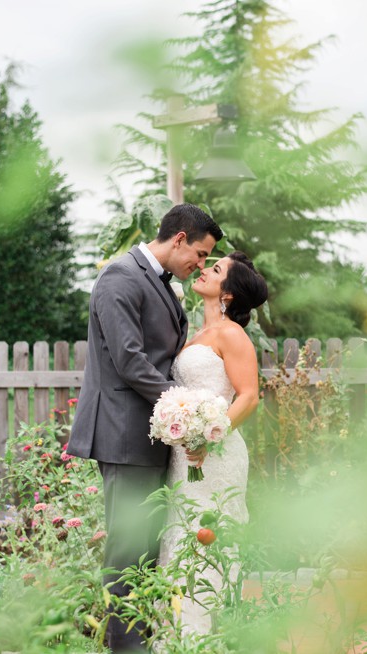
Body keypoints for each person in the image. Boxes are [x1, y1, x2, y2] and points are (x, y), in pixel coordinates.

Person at [66, 203, 222, 653]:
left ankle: (145, 643)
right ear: (178, 239)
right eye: (199, 252)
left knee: (147, 553)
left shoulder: (162, 286)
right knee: (127, 555)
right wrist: (186, 406)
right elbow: (130, 360)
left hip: (150, 436)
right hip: (123, 434)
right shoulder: (119, 278)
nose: (200, 264)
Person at [157, 251, 268, 636]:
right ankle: (178, 636)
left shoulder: (231, 334)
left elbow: (249, 396)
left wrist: (209, 437)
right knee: (179, 541)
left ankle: (199, 635)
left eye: (216, 269)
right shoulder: (196, 332)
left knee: (204, 543)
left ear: (229, 294)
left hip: (215, 458)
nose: (204, 269)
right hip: (184, 456)